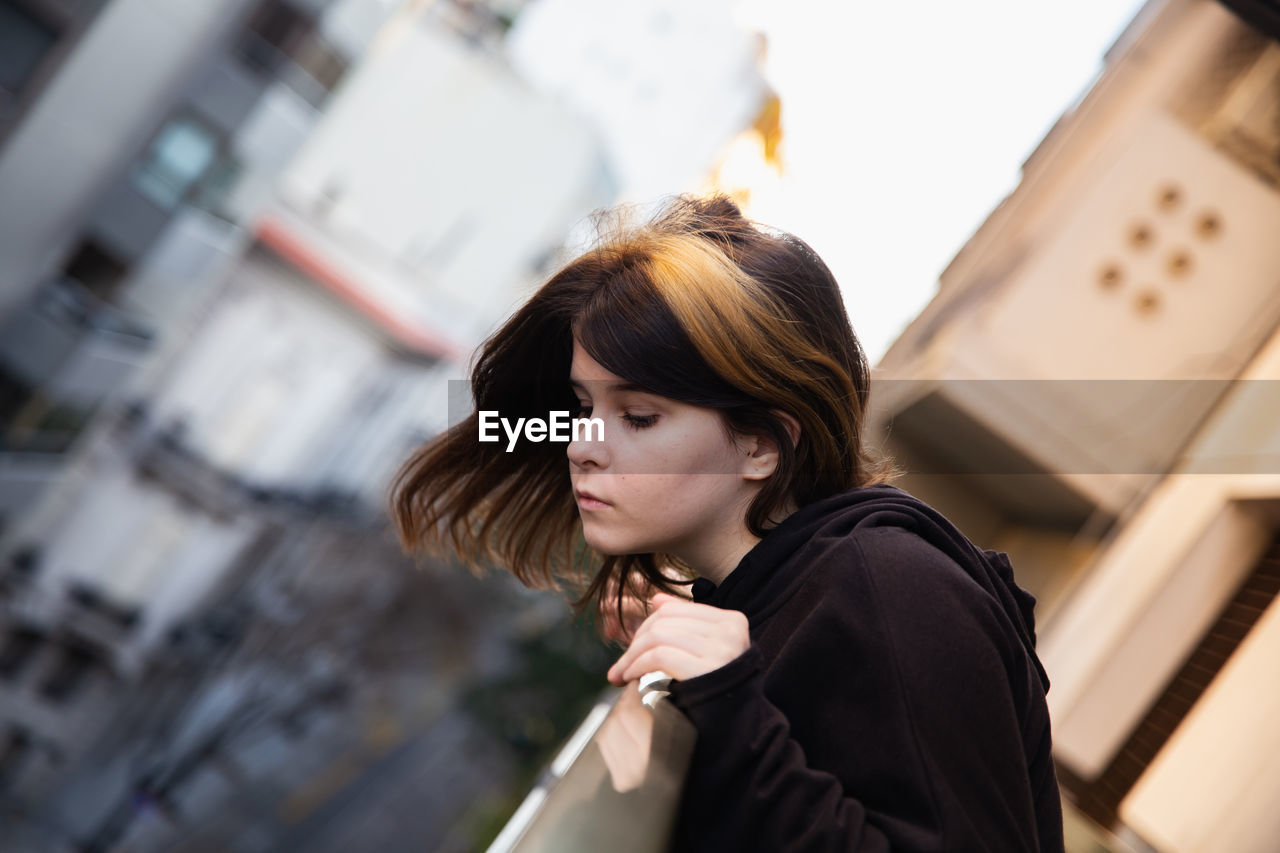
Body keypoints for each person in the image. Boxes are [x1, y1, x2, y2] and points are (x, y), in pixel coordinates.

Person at [389, 194, 1065, 852]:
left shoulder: (891, 586)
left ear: (760, 445)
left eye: (639, 416)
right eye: (581, 404)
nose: (580, 443)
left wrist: (730, 701)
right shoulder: (789, 596)